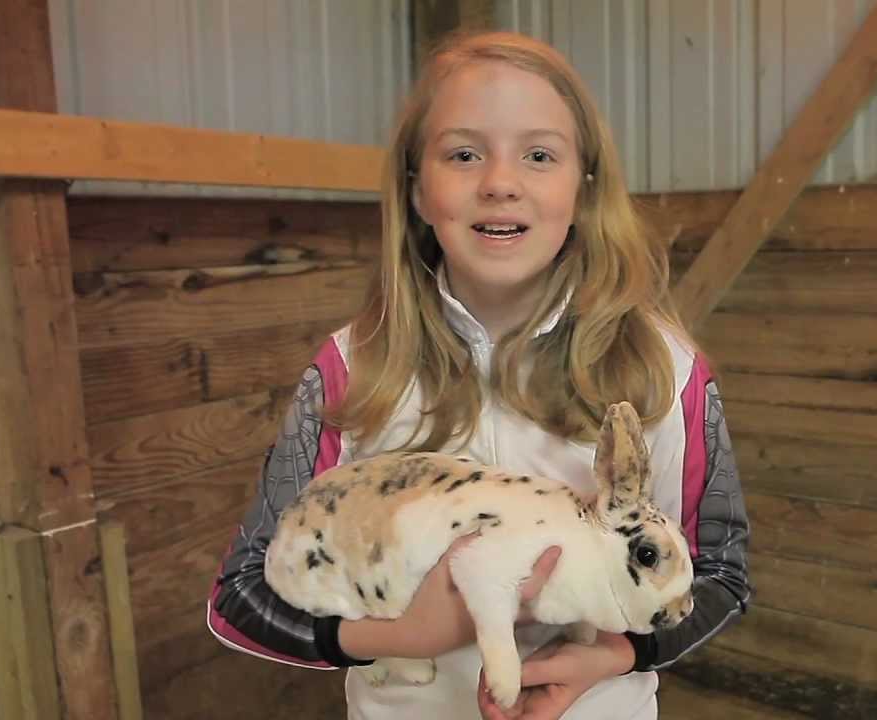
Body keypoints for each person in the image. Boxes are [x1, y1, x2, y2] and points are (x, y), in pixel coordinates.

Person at [207, 30, 751, 720]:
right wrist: (399, 637)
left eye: (539, 155)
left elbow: (721, 577)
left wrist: (611, 657)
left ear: (584, 187)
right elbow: (241, 596)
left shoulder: (663, 370)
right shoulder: (352, 368)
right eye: (463, 154)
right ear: (416, 189)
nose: (499, 182)